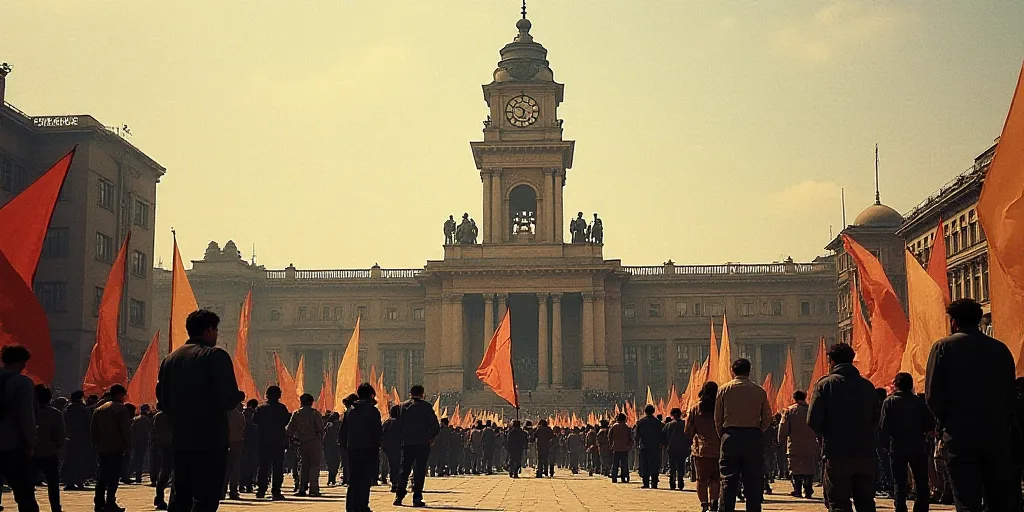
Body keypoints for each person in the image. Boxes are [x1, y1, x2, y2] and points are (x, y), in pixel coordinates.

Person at [926, 299, 1016, 512]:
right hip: (995, 434)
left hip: (959, 435)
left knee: (966, 498)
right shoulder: (1000, 349)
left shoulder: (943, 348)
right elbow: (1010, 394)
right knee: (998, 498)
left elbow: (932, 395)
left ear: (954, 322)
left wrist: (945, 422)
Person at [156, 309, 245, 512]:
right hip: (210, 440)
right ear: (209, 331)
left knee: (181, 494)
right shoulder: (215, 356)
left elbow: (162, 399)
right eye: (215, 330)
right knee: (206, 496)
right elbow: (227, 399)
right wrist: (238, 396)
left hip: (180, 438)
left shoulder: (170, 359)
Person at [808, 342, 880, 512]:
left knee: (839, 502)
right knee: (866, 503)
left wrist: (825, 434)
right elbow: (877, 418)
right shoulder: (868, 386)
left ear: (831, 361)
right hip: (865, 453)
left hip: (836, 452)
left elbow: (813, 419)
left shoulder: (825, 385)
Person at [715, 358, 772, 512]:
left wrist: (724, 435)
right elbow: (768, 417)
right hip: (752, 437)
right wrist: (758, 430)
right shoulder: (759, 390)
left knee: (728, 480)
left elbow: (717, 418)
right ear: (749, 371)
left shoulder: (724, 389)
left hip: (730, 436)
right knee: (753, 481)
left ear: (733, 371)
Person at [880, 372, 934, 512]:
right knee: (922, 482)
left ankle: (900, 508)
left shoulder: (889, 402)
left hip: (897, 447)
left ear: (897, 385)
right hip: (918, 446)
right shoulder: (919, 403)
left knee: (900, 483)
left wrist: (884, 445)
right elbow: (929, 425)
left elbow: (884, 427)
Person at [0, 346, 40, 512]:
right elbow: (26, 416)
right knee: (24, 495)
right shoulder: (22, 383)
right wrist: (31, 442)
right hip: (13, 443)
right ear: (21, 362)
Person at [393, 385, 440, 507]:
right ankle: (417, 498)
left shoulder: (402, 406)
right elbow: (435, 427)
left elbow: (397, 425)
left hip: (406, 443)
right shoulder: (426, 407)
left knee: (404, 470)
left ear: (410, 394)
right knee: (419, 471)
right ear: (422, 394)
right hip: (422, 444)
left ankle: (399, 496)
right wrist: (430, 436)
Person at [339, 383, 382, 512]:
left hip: (352, 449)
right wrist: (379, 443)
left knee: (353, 479)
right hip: (368, 448)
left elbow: (343, 431)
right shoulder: (372, 410)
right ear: (371, 395)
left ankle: (351, 507)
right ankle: (362, 506)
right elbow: (377, 431)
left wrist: (344, 445)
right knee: (364, 480)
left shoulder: (350, 410)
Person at [91, 384, 132, 512]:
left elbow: (93, 430)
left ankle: (98, 502)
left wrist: (97, 444)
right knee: (114, 477)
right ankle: (110, 502)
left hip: (102, 447)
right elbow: (125, 430)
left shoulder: (99, 409)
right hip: (116, 447)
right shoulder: (121, 409)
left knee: (102, 476)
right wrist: (128, 445)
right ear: (119, 394)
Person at [686, 382, 721, 512]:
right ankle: (714, 501)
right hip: (718, 449)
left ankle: (704, 504)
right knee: (716, 479)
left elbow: (688, 431)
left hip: (701, 450)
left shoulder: (695, 409)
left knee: (701, 479)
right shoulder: (720, 407)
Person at [253, 386, 291, 500]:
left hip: (263, 441)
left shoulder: (260, 409)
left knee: (263, 466)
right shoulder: (282, 408)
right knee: (277, 467)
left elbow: (255, 421)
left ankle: (261, 490)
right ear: (279, 395)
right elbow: (285, 421)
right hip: (278, 441)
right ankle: (276, 491)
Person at [778, 390, 817, 499]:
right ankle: (808, 488)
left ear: (794, 398)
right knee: (809, 467)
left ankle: (797, 489)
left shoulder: (790, 411)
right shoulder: (811, 410)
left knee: (795, 468)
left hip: (794, 445)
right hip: (810, 444)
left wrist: (780, 440)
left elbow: (783, 427)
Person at [33, 384, 65, 512]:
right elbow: (61, 435)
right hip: (50, 453)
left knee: (27, 485)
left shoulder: (28, 412)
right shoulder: (54, 413)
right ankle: (55, 508)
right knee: (53, 485)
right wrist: (55, 445)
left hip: (31, 453)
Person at [286, 393, 324, 497]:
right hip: (314, 442)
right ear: (311, 402)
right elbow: (320, 429)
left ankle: (302, 488)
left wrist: (294, 439)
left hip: (302, 443)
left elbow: (289, 429)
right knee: (315, 466)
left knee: (303, 466)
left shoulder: (296, 413)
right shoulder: (315, 414)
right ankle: (313, 489)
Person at [62, 390, 90, 491]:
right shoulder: (82, 409)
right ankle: (77, 480)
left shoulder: (67, 409)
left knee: (70, 460)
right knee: (79, 461)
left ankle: (70, 481)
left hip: (69, 437)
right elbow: (87, 424)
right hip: (81, 437)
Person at [635, 404, 665, 489]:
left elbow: (636, 435)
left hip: (644, 446)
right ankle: (654, 482)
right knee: (655, 464)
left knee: (645, 464)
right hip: (655, 447)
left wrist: (637, 444)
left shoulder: (640, 422)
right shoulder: (658, 422)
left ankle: (646, 483)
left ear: (645, 411)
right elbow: (662, 435)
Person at [150, 406, 172, 510]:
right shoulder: (174, 414)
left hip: (164, 445)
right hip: (175, 445)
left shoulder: (158, 416)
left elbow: (155, 432)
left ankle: (159, 498)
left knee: (164, 472)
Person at [664, 407, 689, 491]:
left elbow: (663, 436)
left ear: (672, 415)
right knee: (681, 466)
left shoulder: (669, 425)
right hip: (683, 448)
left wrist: (665, 445)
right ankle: (680, 481)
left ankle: (672, 482)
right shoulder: (685, 424)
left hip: (672, 449)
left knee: (672, 466)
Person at [224, 403, 245, 500]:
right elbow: (242, 428)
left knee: (224, 468)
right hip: (237, 442)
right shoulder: (240, 415)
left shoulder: (224, 414)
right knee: (235, 467)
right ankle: (233, 491)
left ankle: (222, 490)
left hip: (224, 443)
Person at [240, 399, 260, 493]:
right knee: (252, 465)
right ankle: (249, 485)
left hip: (242, 442)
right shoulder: (257, 415)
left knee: (242, 464)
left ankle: (241, 484)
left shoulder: (242, 414)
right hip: (254, 443)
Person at [130, 404, 152, 484]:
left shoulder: (136, 419)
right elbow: (149, 431)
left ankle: (137, 476)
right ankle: (138, 475)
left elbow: (132, 431)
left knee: (137, 459)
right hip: (144, 442)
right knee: (142, 459)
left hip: (136, 442)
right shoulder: (147, 420)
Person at [381, 405, 401, 491]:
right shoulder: (402, 422)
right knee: (399, 465)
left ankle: (394, 483)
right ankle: (398, 482)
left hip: (389, 447)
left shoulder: (387, 423)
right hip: (400, 447)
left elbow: (382, 435)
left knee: (392, 465)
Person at [609, 413, 632, 483]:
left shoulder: (614, 426)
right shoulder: (627, 427)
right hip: (625, 448)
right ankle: (624, 477)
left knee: (615, 463)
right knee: (624, 464)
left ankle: (614, 478)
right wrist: (630, 445)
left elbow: (609, 436)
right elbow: (630, 438)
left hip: (616, 448)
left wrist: (611, 445)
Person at [323, 412, 342, 487]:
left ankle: (331, 479)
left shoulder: (330, 427)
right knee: (336, 463)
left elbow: (325, 438)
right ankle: (332, 479)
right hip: (338, 447)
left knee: (330, 464)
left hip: (330, 448)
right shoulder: (341, 425)